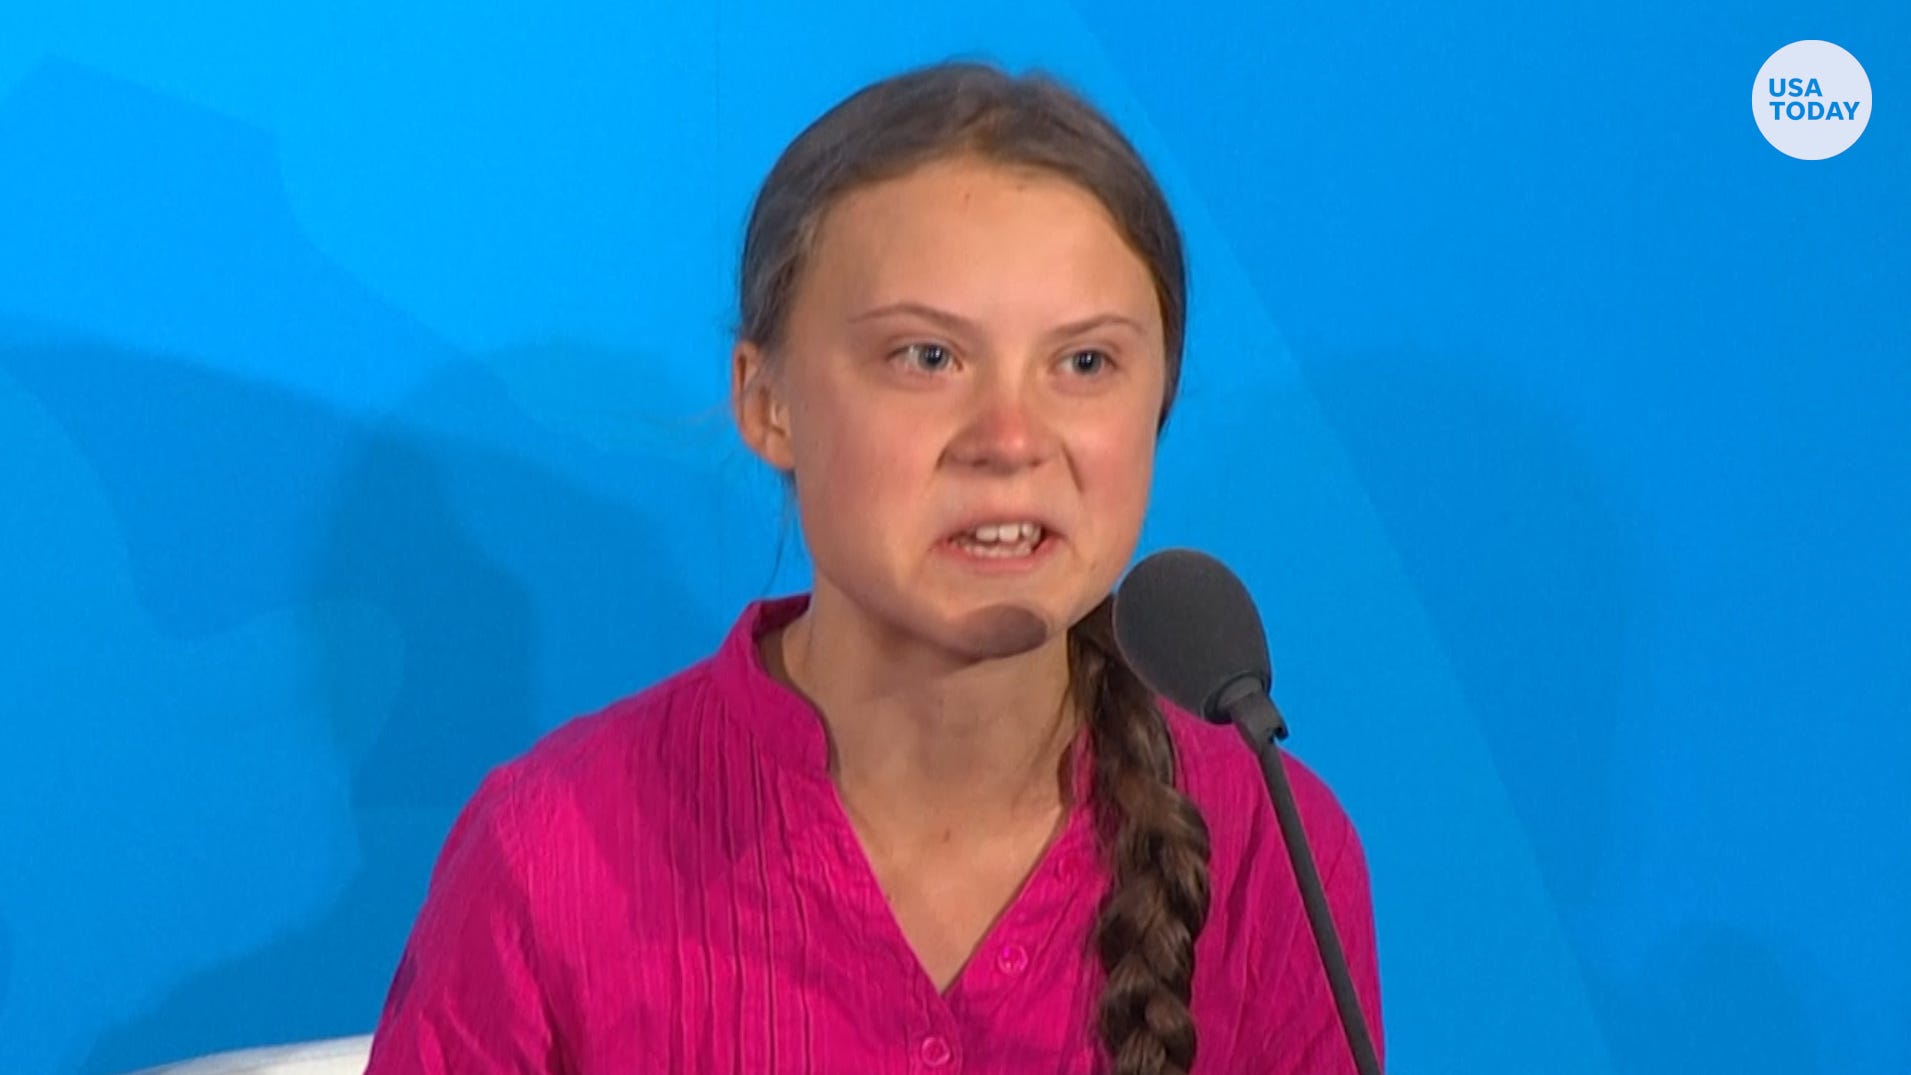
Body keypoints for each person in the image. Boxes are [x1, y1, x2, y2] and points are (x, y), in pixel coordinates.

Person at [363, 59, 1382, 1075]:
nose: (1011, 439)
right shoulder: (551, 849)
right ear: (767, 403)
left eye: (1084, 363)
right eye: (926, 357)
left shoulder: (1268, 842)